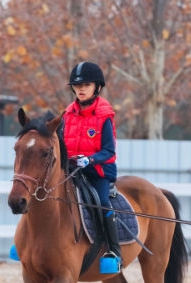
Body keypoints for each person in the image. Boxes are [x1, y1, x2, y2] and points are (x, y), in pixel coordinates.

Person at [63, 61, 122, 271]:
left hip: (98, 171)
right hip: (72, 170)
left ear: (97, 87)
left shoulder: (105, 115)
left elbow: (109, 150)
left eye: (86, 85)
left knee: (102, 201)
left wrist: (90, 159)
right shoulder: (67, 114)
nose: (81, 89)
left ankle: (114, 251)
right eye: (77, 85)